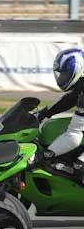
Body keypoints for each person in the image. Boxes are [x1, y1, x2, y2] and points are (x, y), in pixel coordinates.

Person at [37, 47, 84, 184]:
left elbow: (74, 136)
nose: (62, 78)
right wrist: (42, 113)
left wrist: (48, 153)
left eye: (65, 73)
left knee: (79, 168)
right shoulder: (81, 84)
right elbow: (68, 100)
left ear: (78, 69)